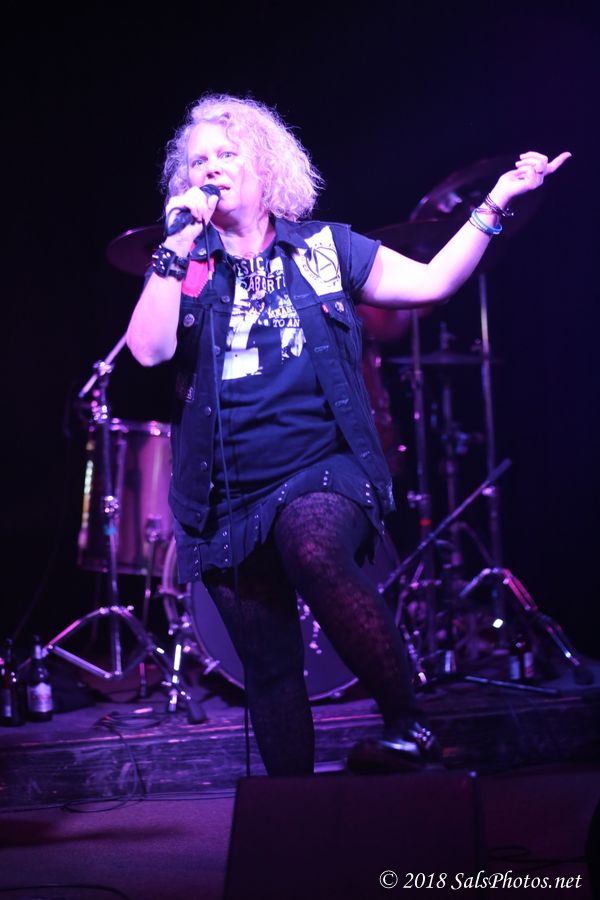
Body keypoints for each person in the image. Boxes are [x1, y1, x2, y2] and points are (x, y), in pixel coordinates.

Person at [126, 93, 570, 776]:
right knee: (269, 664)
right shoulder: (185, 264)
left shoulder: (325, 250)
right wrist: (175, 245)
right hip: (222, 495)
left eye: (227, 153)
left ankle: (409, 724)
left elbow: (432, 282)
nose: (210, 168)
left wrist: (496, 202)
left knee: (312, 547)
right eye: (198, 161)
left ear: (265, 165)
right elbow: (149, 351)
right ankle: (294, 813)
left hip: (322, 464)